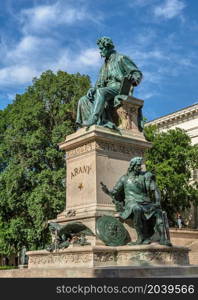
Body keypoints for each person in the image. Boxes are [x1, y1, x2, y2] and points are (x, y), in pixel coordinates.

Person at [101, 157, 172, 246]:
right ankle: (140, 237)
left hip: (146, 203)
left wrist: (157, 202)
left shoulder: (145, 176)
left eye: (140, 165)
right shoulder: (124, 179)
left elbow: (155, 190)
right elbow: (114, 192)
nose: (140, 167)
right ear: (132, 166)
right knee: (137, 209)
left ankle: (163, 239)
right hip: (131, 203)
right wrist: (107, 191)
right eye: (138, 165)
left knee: (158, 212)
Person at [76, 36, 142, 129]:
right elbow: (98, 84)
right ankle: (88, 124)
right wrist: (93, 89)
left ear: (108, 47)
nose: (100, 51)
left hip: (119, 88)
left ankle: (94, 118)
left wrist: (134, 79)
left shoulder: (121, 58)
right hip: (107, 90)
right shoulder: (103, 67)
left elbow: (136, 72)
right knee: (83, 99)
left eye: (102, 48)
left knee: (101, 92)